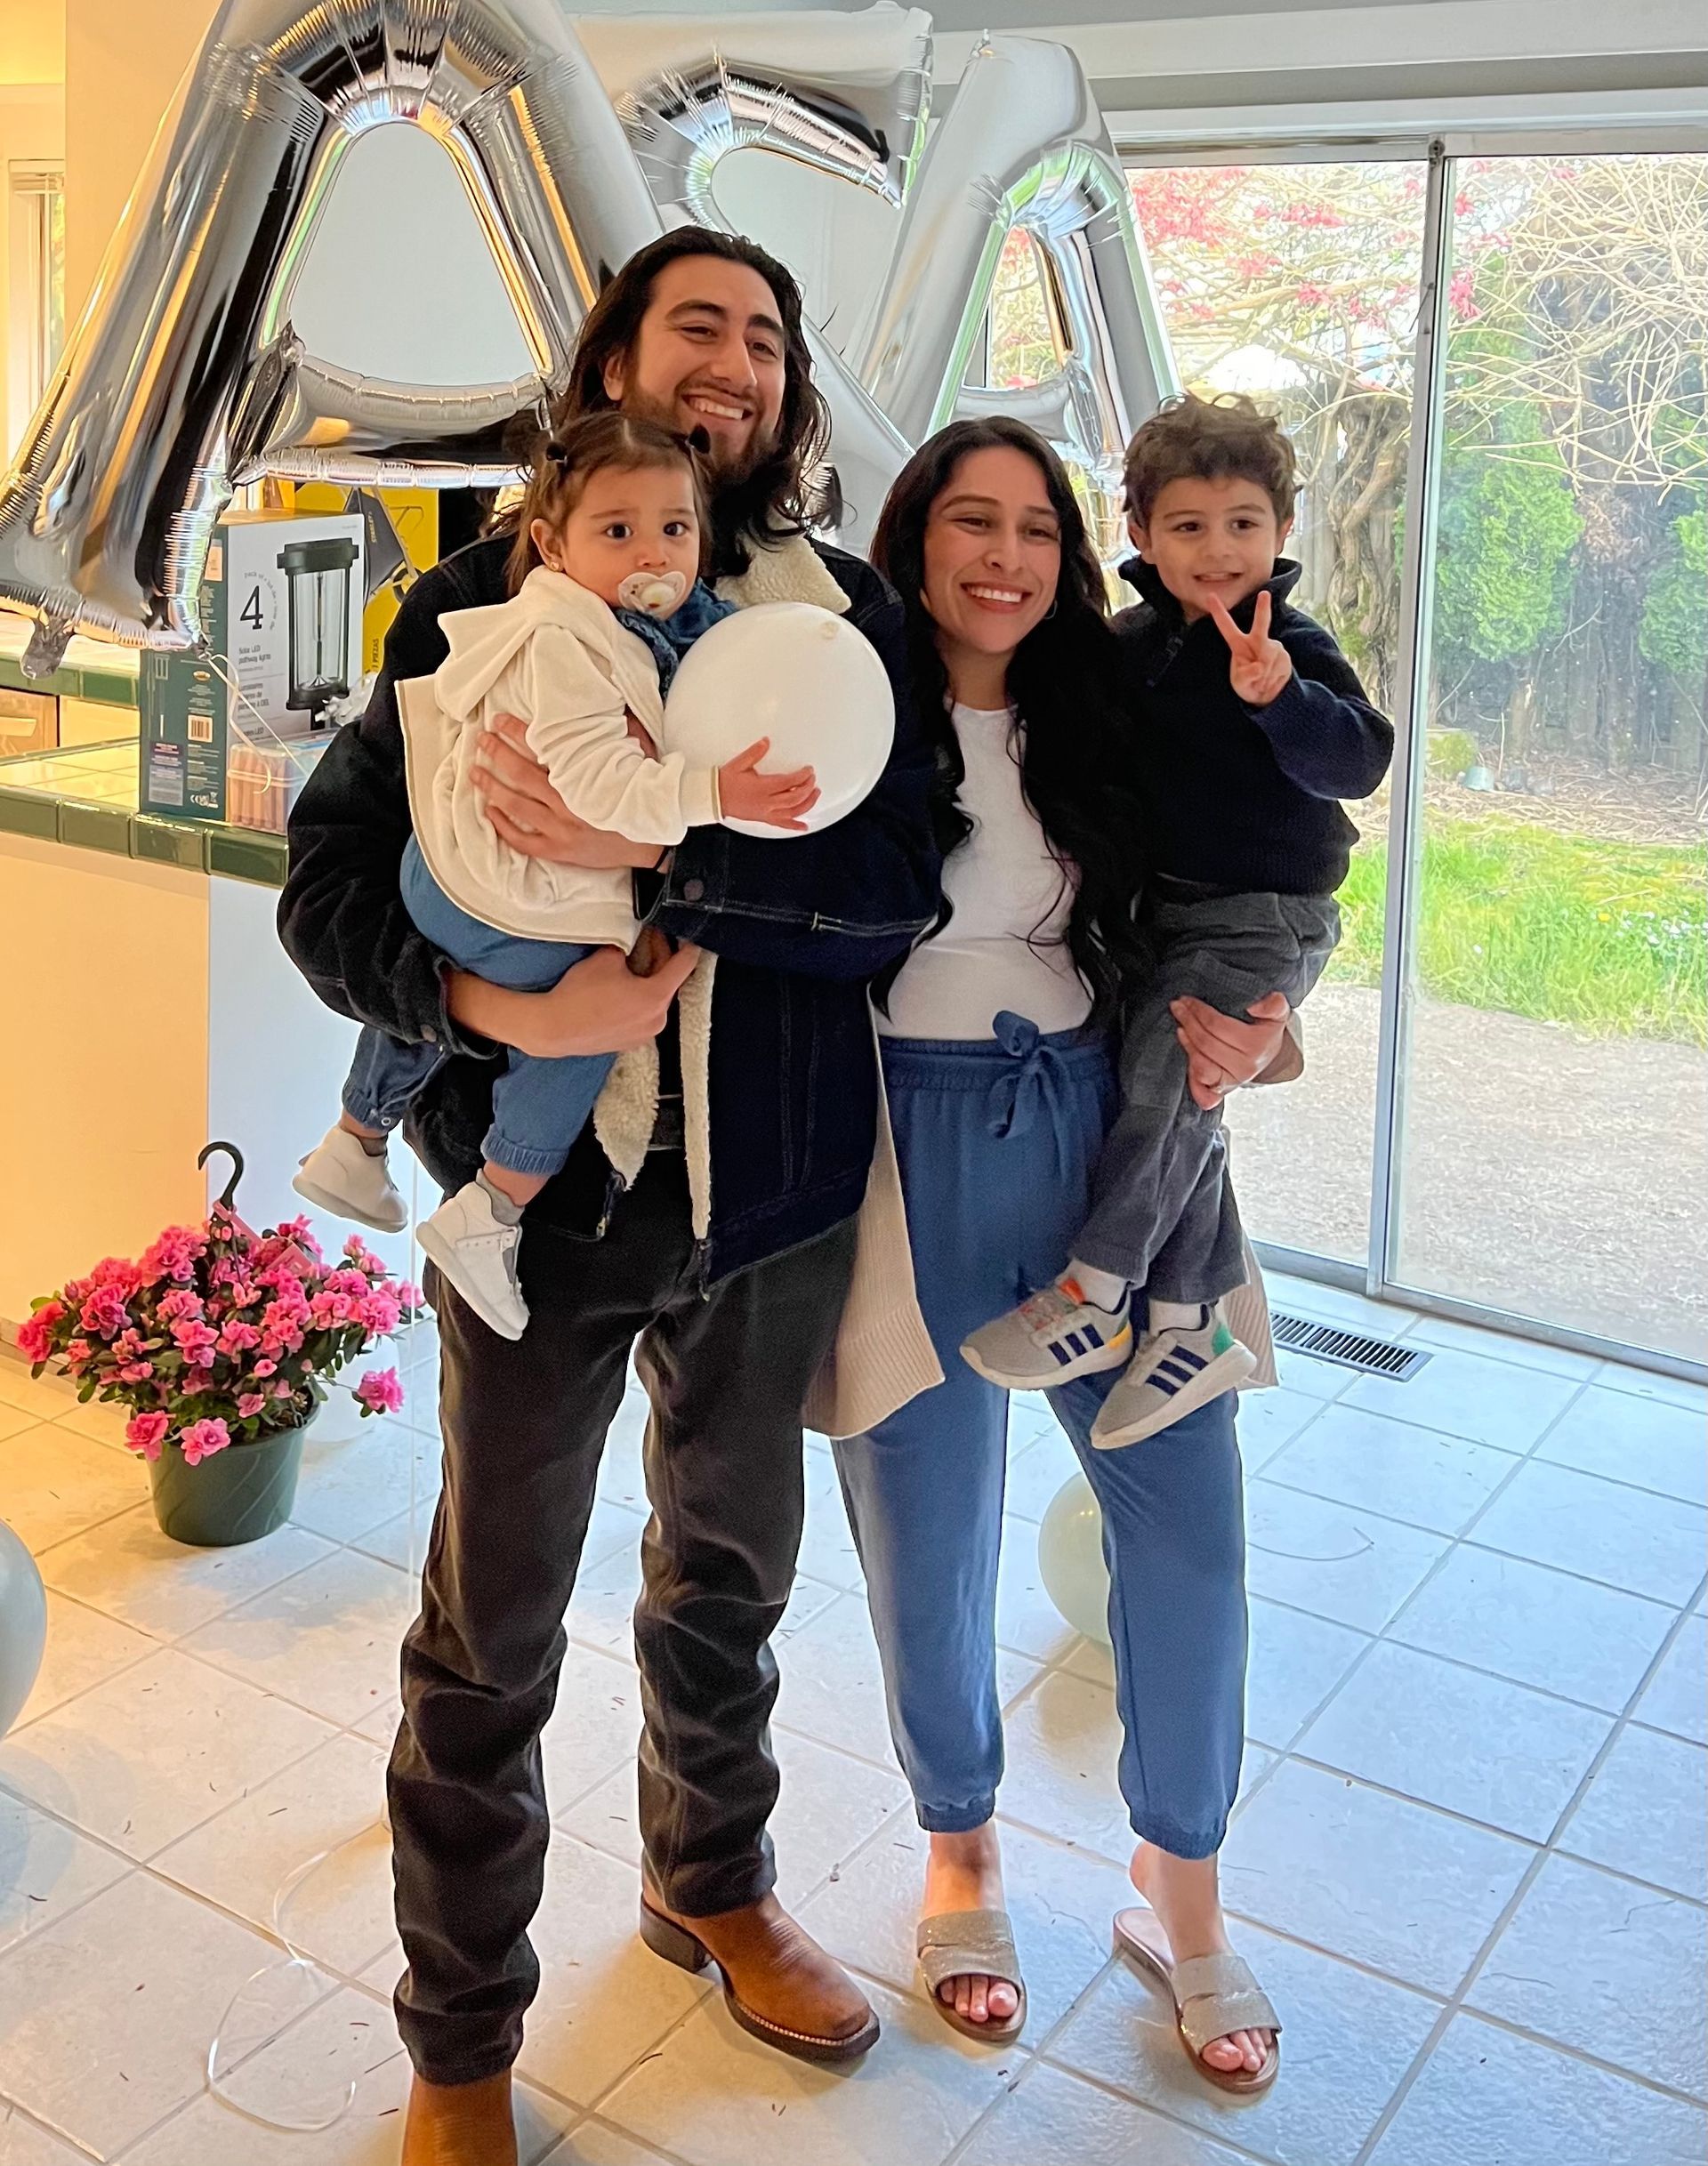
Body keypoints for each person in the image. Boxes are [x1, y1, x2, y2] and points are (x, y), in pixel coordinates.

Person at [278, 228, 939, 2166]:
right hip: (542, 1197)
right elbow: (330, 896)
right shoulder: (484, 604)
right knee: (492, 1622)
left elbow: (892, 892)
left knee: (727, 1573)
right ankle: (460, 2031)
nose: (733, 361)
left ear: (783, 387)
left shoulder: (841, 611)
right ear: (622, 365)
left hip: (765, 1197)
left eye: (764, 336)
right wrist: (496, 993)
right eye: (695, 326)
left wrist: (683, 866)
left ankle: (709, 1879)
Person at [833, 415, 1294, 2093]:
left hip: (1113, 1146)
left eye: (1036, 525)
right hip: (905, 1150)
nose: (1007, 555)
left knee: (1190, 1523)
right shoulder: (845, 702)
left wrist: (1266, 1027)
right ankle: (960, 1848)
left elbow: (1251, 877)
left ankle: (1181, 1879)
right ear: (915, 539)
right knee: (925, 1527)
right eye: (973, 520)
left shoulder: (1118, 702)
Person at [292, 413, 817, 1341]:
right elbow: (598, 787)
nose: (651, 553)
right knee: (585, 1026)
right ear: (551, 543)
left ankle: (355, 1139)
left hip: (457, 882)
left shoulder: (634, 615)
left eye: (675, 530)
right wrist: (712, 793)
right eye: (618, 532)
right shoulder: (565, 639)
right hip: (501, 895)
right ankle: (491, 1207)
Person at [962, 394, 1392, 1448]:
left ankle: (1099, 1291)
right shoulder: (1131, 643)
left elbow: (1362, 760)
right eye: (1189, 527)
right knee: (1175, 1093)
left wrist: (1281, 697)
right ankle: (1193, 1325)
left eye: (1244, 523)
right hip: (1166, 910)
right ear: (1140, 533)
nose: (1218, 549)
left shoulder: (1288, 642)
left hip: (1265, 912)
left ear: (1282, 532)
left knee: (1171, 1082)